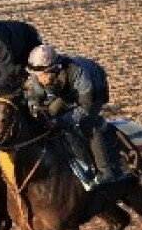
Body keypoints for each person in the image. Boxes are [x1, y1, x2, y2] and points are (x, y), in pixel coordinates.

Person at [24, 43, 125, 186]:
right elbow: (33, 97)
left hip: (94, 90)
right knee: (50, 113)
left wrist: (61, 121)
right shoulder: (38, 75)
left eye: (42, 76)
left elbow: (85, 107)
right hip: (68, 92)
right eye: (36, 76)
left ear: (54, 69)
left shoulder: (77, 72)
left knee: (84, 124)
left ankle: (105, 170)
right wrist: (35, 108)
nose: (38, 80)